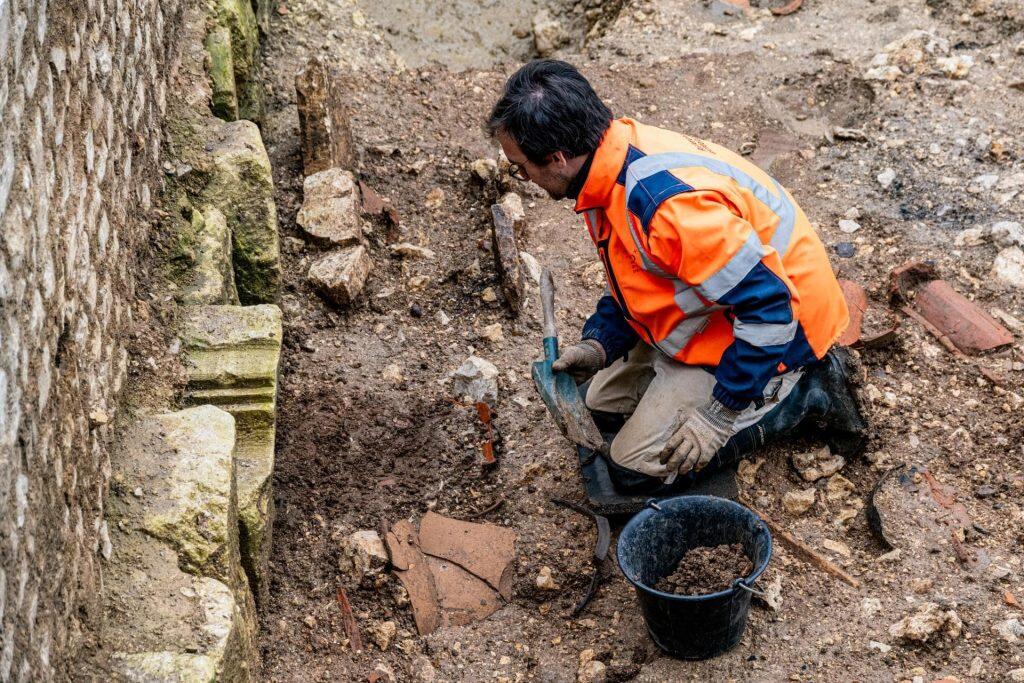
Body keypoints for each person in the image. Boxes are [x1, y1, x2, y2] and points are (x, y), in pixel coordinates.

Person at [487, 59, 866, 492]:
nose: (524, 178)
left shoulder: (668, 209)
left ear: (556, 159)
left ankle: (804, 391)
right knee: (598, 405)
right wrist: (601, 343)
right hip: (728, 303)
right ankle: (700, 384)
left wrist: (718, 416)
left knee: (634, 468)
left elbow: (770, 310)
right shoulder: (607, 163)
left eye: (521, 168)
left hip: (787, 326)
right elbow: (638, 274)